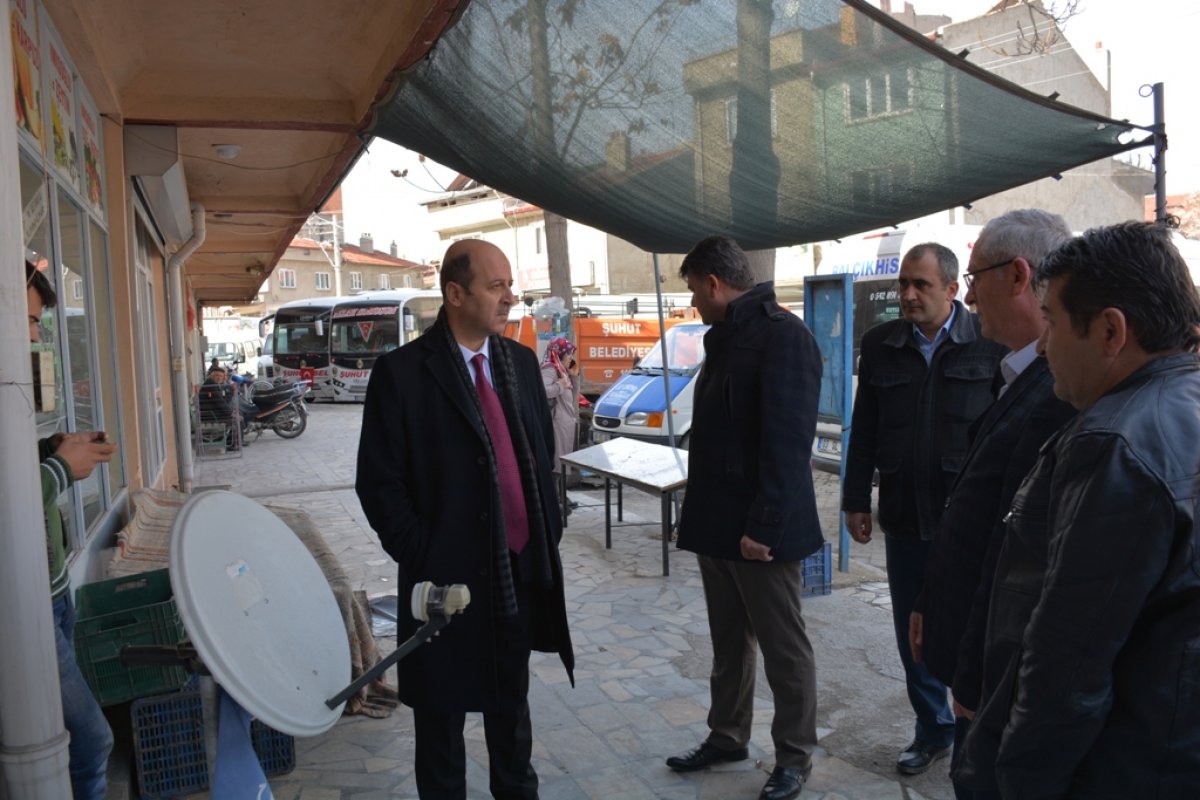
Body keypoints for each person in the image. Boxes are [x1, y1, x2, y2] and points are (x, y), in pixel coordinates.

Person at [960, 222, 1200, 796]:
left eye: (1053, 321)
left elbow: (1067, 664)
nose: (1043, 347)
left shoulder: (1113, 445)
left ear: (1111, 331)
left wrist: (1017, 781)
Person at [355, 239, 574, 799]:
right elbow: (379, 485)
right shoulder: (402, 373)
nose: (510, 297)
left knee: (512, 715)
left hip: (514, 573)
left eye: (510, 285)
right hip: (443, 584)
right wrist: (426, 554)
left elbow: (538, 456)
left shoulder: (519, 364)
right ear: (455, 294)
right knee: (441, 728)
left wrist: (546, 530)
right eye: (496, 286)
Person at [906, 211, 1075, 799]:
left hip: (995, 675)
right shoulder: (1021, 373)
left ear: (1019, 276)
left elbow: (1015, 556)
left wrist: (979, 678)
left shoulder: (1059, 390)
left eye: (976, 279)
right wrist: (931, 600)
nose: (970, 298)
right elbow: (973, 513)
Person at [665, 235, 823, 800]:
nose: (693, 303)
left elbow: (787, 444)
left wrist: (765, 527)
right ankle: (728, 736)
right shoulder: (729, 336)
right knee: (728, 642)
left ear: (714, 283)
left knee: (784, 649)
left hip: (760, 532)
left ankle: (795, 757)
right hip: (719, 526)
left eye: (694, 291)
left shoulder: (783, 336)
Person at [841, 243, 1005, 776]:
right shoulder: (881, 344)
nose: (909, 294)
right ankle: (932, 729)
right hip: (905, 515)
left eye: (922, 285)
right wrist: (855, 499)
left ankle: (976, 730)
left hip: (969, 520)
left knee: (971, 627)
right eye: (904, 283)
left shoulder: (988, 342)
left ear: (952, 289)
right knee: (912, 635)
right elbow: (864, 428)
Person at [27, 261, 118, 799]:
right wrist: (61, 469)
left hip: (56, 595)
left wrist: (52, 449)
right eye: (29, 321)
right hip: (28, 611)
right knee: (92, 742)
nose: (35, 337)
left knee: (69, 737)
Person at [540, 336, 580, 488]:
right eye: (569, 354)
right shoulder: (550, 369)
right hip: (557, 424)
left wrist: (574, 378)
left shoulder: (561, 370)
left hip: (565, 423)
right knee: (556, 465)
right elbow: (542, 391)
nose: (571, 358)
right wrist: (560, 385)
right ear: (559, 353)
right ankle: (556, 497)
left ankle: (561, 496)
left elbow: (573, 398)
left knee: (563, 464)